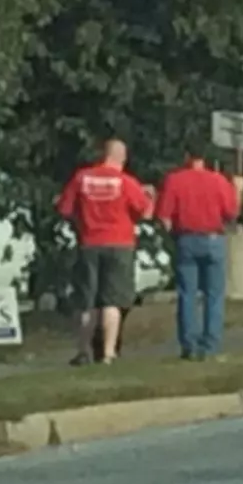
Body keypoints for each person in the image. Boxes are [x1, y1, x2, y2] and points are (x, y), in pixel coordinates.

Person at [57, 139, 153, 365]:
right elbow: (144, 212)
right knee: (113, 301)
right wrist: (149, 196)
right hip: (120, 244)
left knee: (87, 301)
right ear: (123, 158)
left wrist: (83, 221)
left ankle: (83, 351)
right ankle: (108, 354)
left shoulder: (82, 178)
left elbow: (65, 209)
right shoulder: (127, 182)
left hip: (89, 242)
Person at [156, 142, 243, 360]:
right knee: (214, 296)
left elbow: (164, 217)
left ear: (186, 155)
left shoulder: (174, 180)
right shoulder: (218, 180)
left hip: (186, 238)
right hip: (213, 238)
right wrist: (239, 190)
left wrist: (173, 237)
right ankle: (210, 345)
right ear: (204, 158)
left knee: (187, 295)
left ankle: (189, 345)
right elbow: (232, 213)